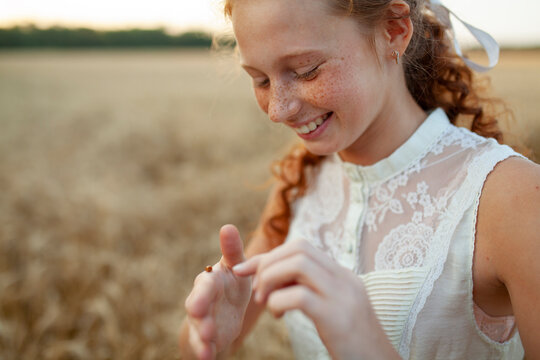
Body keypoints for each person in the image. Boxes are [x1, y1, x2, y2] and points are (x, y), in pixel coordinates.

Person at [180, 0, 540, 358]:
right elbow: (197, 347)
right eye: (259, 79)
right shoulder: (300, 182)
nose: (278, 109)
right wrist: (208, 337)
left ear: (394, 29)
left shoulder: (513, 197)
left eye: (306, 70)